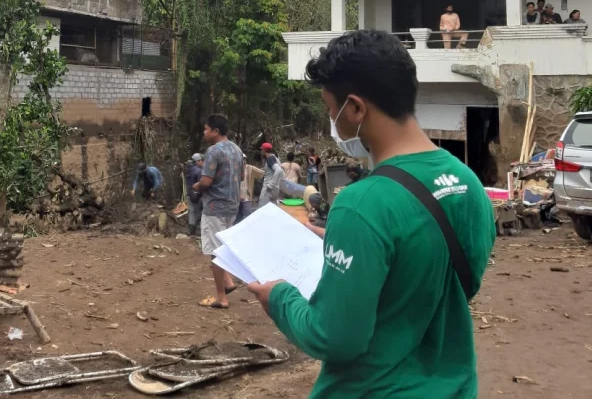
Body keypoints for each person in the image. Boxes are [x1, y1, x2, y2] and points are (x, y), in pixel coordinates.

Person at [246, 29, 496, 398]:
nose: (331, 121)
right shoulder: (468, 183)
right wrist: (337, 238)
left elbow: (333, 337)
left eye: (331, 109)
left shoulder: (361, 205)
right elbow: (455, 282)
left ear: (356, 108)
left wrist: (279, 298)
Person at [192, 114, 244, 310]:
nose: (204, 133)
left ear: (215, 131)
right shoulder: (237, 150)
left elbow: (206, 181)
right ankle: (228, 282)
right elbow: (240, 176)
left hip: (215, 208)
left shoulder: (213, 151)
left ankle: (221, 298)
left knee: (215, 253)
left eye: (206, 129)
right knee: (222, 247)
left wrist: (195, 187)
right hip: (232, 206)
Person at [259, 142, 283, 208]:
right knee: (273, 210)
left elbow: (278, 170)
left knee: (262, 209)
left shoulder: (270, 158)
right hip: (275, 189)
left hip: (268, 189)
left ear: (264, 150)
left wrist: (270, 185)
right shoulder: (276, 159)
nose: (261, 152)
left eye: (261, 150)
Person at [185, 153, 204, 235]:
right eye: (202, 160)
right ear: (198, 161)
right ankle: (198, 232)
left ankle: (191, 233)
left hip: (190, 194)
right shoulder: (199, 171)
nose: (203, 162)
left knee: (191, 213)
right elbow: (202, 184)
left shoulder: (188, 170)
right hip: (198, 196)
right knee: (199, 213)